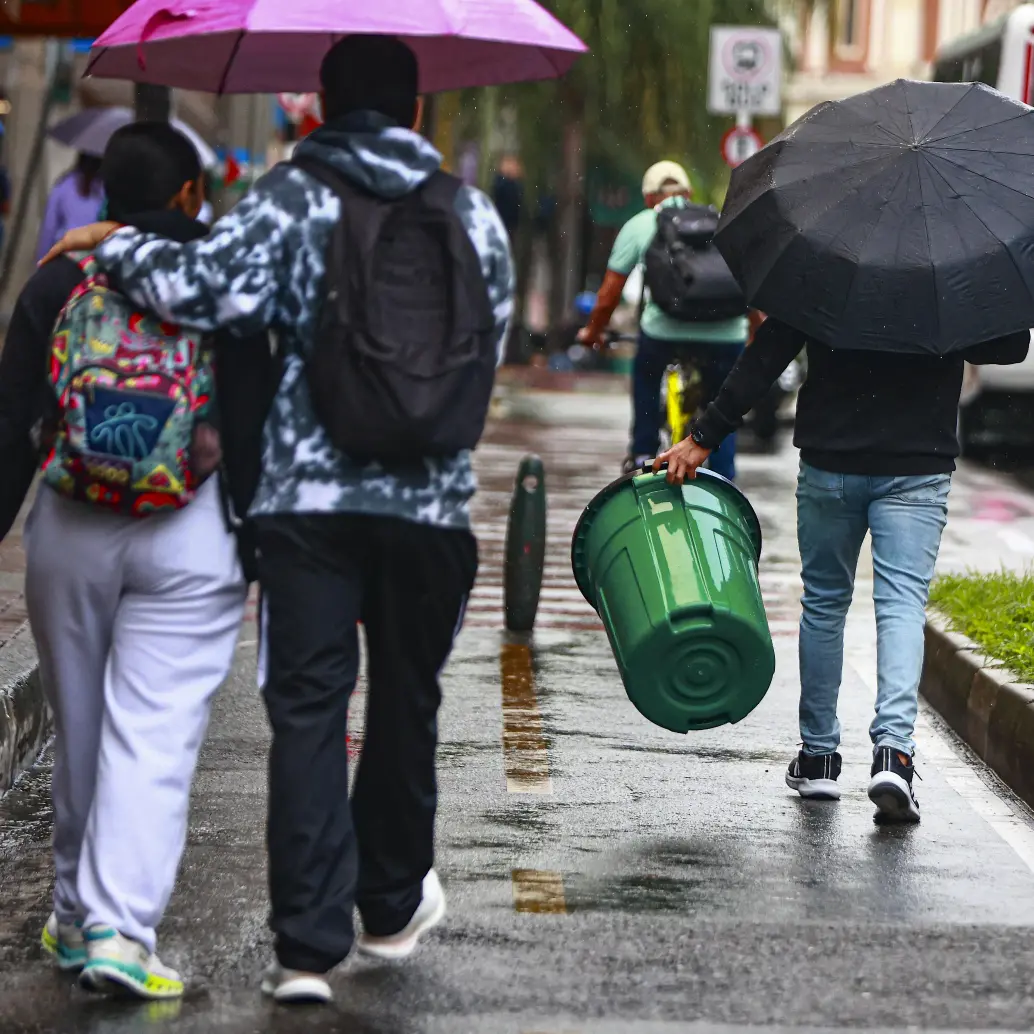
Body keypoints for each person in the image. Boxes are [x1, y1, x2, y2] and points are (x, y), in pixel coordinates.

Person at [45, 35, 514, 1005]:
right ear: (418, 114)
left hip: (307, 505)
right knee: (406, 701)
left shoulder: (288, 197)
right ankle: (387, 905)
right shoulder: (474, 215)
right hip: (429, 506)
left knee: (307, 708)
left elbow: (203, 289)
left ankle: (305, 946)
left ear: (320, 106)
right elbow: (487, 340)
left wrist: (117, 242)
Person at [2, 122, 275, 1000]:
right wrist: (259, 534)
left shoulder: (60, 275)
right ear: (193, 195)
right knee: (150, 730)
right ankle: (120, 931)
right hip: (189, 524)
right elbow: (254, 412)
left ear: (103, 192)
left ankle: (77, 913)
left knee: (79, 723)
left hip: (70, 521)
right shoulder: (222, 278)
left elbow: (13, 420)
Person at [654, 316, 1031, 824]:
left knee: (826, 604)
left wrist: (704, 434)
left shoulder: (827, 251)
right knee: (901, 604)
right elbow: (1008, 344)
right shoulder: (947, 266)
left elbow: (771, 350)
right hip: (917, 464)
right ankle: (894, 755)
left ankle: (818, 758)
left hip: (832, 458)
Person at [578, 161, 748, 477]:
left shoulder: (643, 223)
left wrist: (593, 331)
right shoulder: (719, 219)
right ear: (689, 193)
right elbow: (749, 283)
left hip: (664, 332)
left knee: (646, 370)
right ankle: (725, 476)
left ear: (648, 198)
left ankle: (642, 452)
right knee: (723, 401)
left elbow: (610, 292)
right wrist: (750, 334)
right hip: (727, 333)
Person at [35, 152, 105, 263]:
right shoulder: (106, 191)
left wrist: (41, 260)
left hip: (63, 255)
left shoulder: (65, 184)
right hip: (90, 261)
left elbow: (49, 228)